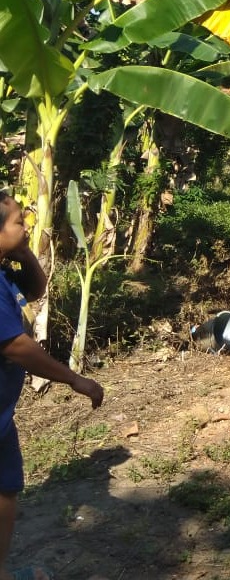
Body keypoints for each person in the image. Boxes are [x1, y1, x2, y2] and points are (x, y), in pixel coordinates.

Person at [0, 193, 104, 580]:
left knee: (5, 490)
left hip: (2, 416)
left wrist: (23, 250)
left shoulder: (3, 274)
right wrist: (75, 379)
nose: (26, 227)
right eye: (17, 222)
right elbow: (15, 345)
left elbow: (36, 289)